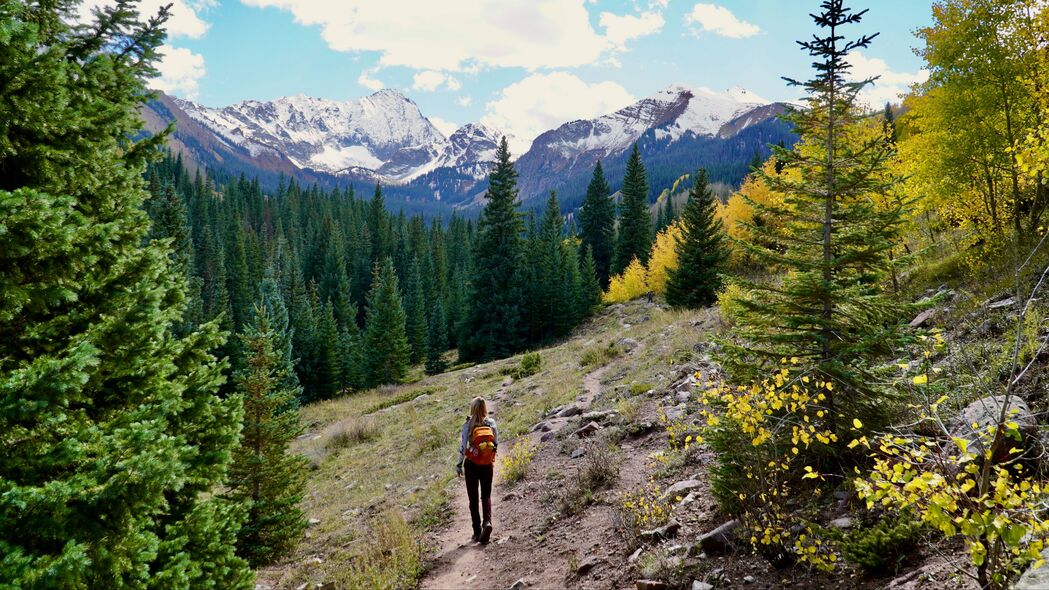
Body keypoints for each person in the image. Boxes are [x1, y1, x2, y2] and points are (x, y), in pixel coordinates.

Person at [456, 397, 498, 544]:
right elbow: (496, 444)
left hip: (471, 465)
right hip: (486, 464)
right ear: (485, 408)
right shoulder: (491, 423)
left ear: (472, 408)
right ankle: (487, 522)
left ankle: (476, 532)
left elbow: (462, 447)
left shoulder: (467, 425)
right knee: (486, 495)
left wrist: (459, 464)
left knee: (473, 499)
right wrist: (489, 458)